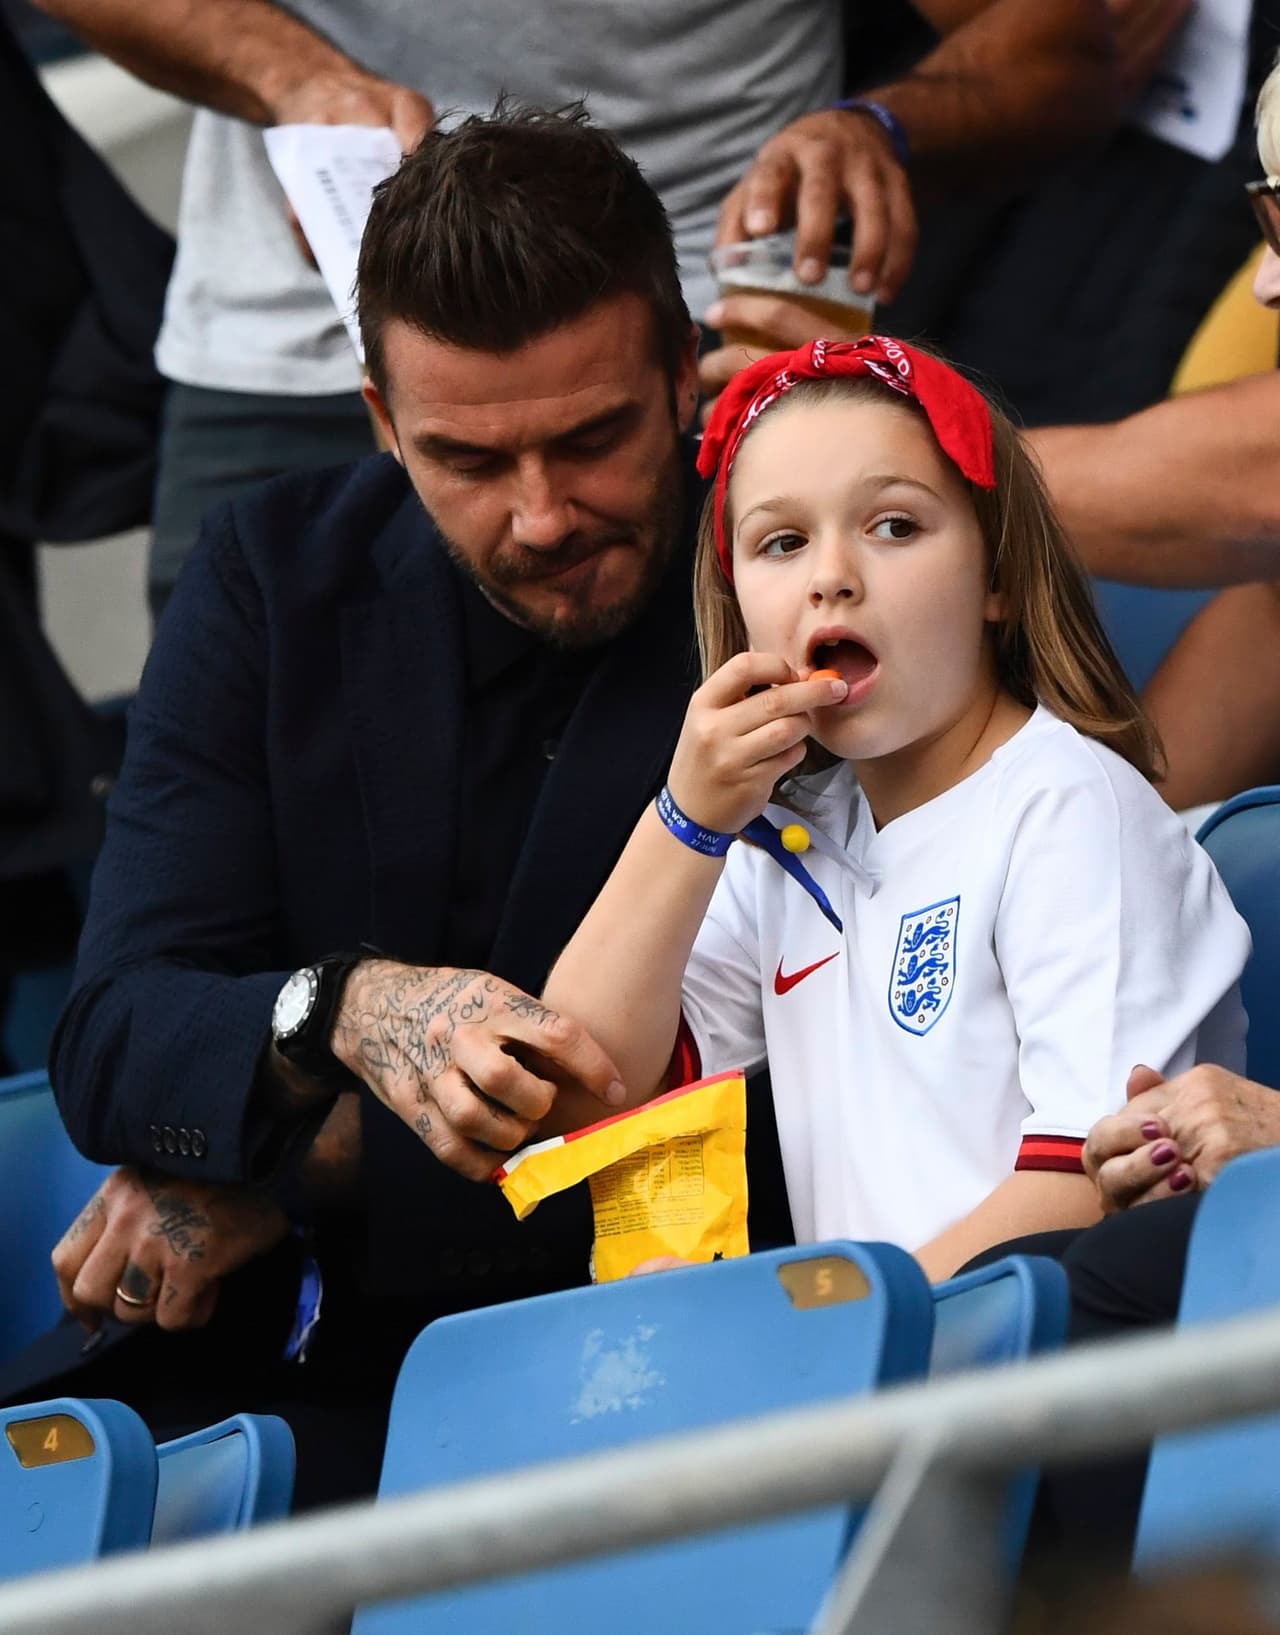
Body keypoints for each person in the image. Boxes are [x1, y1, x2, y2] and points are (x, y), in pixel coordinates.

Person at [17, 101, 765, 1511]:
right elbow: (112, 1039)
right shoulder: (271, 572)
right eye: (468, 462)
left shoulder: (788, 562)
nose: (540, 514)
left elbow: (730, 1097)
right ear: (382, 422)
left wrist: (286, 1174)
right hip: (234, 1380)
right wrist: (342, 1005)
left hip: (640, 1371)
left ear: (685, 375)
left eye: (592, 439)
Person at [542, 334, 1251, 1282]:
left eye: (894, 527)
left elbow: (1085, 1192)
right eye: (782, 542)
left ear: (998, 577)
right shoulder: (780, 841)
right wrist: (686, 818)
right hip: (890, 1392)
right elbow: (585, 1084)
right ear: (741, 604)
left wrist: (813, 1330)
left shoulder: (1068, 805)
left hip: (1053, 1389)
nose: (831, 574)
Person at [29, 0, 1116, 614]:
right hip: (284, 332)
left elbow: (1056, 46)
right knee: (240, 834)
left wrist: (880, 126)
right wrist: (283, 73)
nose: (534, 514)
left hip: (693, 347)